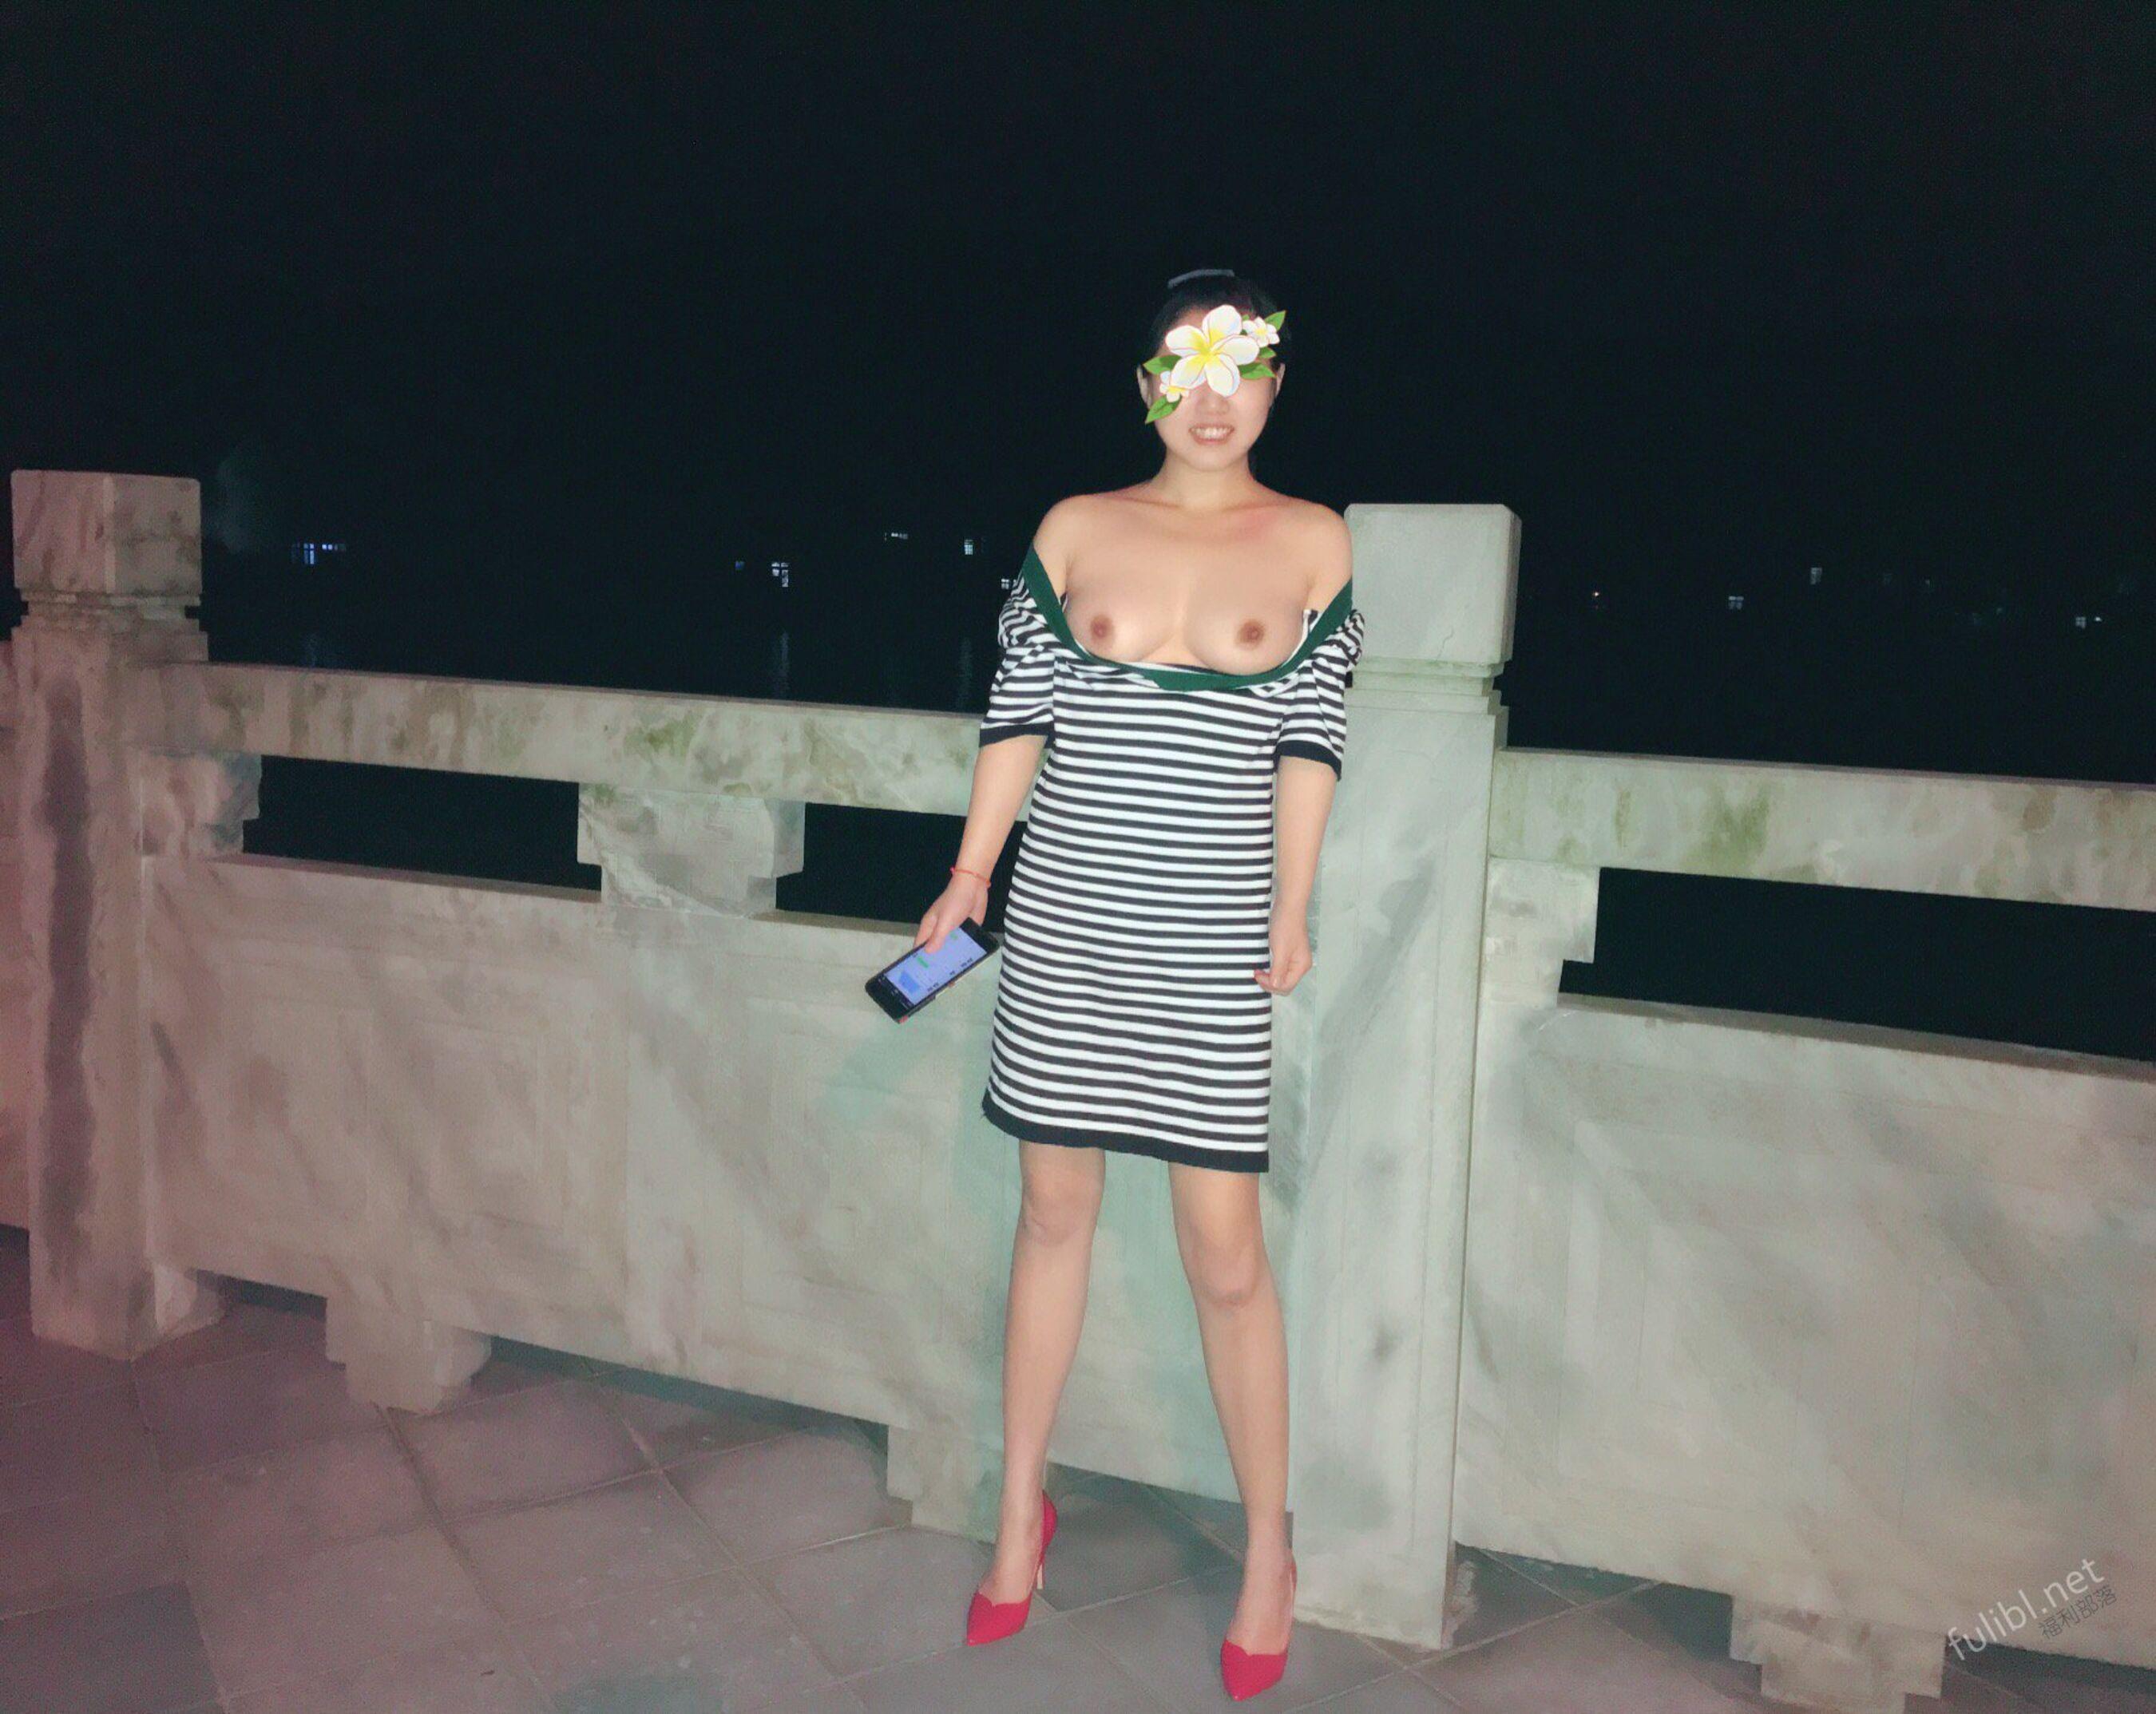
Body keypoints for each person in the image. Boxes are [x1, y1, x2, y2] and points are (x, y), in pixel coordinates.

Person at [913, 267, 1363, 1700]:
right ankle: (1016, 1517)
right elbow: (1020, 713)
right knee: (1052, 1214)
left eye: (1242, 368)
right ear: (1144, 388)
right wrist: (970, 875)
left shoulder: (1314, 540)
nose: (1213, 398)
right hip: (1067, 926)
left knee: (1225, 1253)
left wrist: (1290, 905)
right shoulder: (1074, 527)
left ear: (1277, 383)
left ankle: (1268, 1552)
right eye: (1185, 368)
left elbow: (1310, 740)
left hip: (1208, 939)